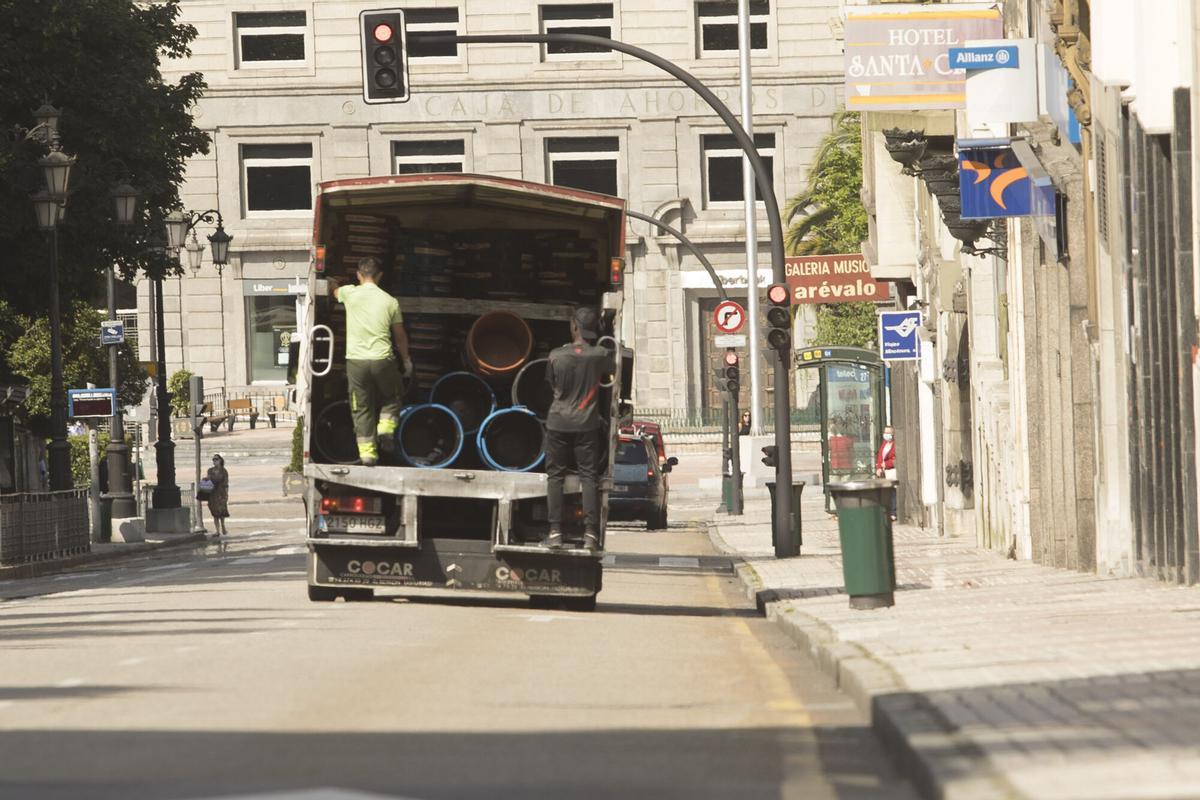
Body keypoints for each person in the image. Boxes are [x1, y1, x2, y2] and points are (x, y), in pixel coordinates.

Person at [329, 256, 412, 466]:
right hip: (383, 360)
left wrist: (333, 283)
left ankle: (367, 454)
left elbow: (334, 291)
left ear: (358, 275)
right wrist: (406, 361)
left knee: (361, 407)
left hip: (356, 362)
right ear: (380, 276)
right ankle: (385, 429)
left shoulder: (349, 293)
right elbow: (400, 335)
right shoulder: (390, 301)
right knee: (393, 395)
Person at [542, 306, 609, 551]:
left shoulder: (556, 355)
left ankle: (555, 533)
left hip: (558, 422)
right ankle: (590, 534)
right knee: (589, 477)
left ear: (574, 326)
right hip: (586, 424)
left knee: (555, 476)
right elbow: (612, 373)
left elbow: (551, 384)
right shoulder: (601, 354)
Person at [875, 425, 897, 519]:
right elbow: (880, 456)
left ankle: (893, 512)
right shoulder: (884, 444)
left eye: (888, 432)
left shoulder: (895, 444)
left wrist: (887, 464)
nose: (886, 434)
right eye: (885, 432)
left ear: (893, 434)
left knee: (893, 492)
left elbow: (896, 459)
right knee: (886, 492)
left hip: (892, 471)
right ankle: (886, 511)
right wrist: (879, 467)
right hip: (884, 472)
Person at [206, 453, 230, 537]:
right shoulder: (210, 470)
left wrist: (226, 494)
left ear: (220, 460)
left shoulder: (224, 471)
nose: (214, 461)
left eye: (216, 459)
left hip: (221, 493)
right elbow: (207, 481)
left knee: (222, 511)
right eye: (213, 459)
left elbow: (226, 483)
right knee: (214, 512)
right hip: (212, 494)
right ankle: (217, 531)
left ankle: (223, 525)